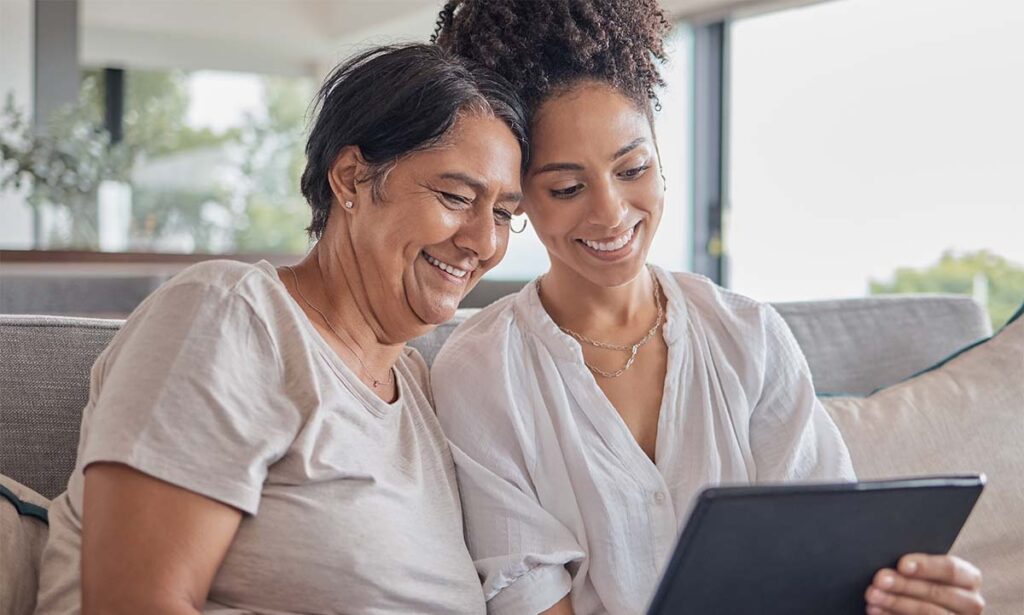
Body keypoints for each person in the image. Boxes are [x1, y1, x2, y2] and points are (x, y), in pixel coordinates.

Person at [431, 3, 986, 614]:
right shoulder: (480, 373)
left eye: (633, 168)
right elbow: (527, 594)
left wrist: (899, 596)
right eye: (567, 188)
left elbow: (825, 556)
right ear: (519, 196)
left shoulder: (750, 336)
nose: (612, 213)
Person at [34, 43, 528, 614]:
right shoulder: (231, 315)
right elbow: (134, 603)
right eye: (455, 197)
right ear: (351, 178)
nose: (484, 243)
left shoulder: (420, 386)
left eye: (501, 214)